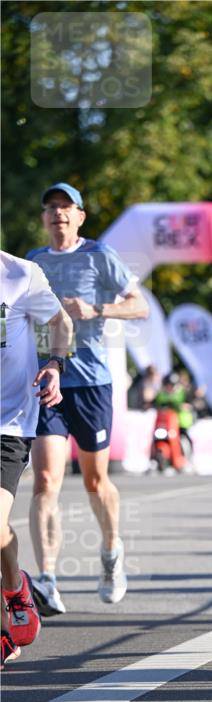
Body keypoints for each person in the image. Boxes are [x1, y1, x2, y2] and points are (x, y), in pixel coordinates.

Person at [26, 182, 149, 615]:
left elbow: (139, 306)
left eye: (66, 207)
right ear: (44, 218)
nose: (58, 213)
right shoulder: (33, 263)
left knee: (95, 481)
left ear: (80, 216)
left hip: (91, 383)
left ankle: (112, 552)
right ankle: (46, 579)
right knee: (45, 480)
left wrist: (97, 310)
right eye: (51, 207)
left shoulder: (100, 256)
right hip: (46, 382)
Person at [1, 251, 73, 666]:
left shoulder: (20, 274)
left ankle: (3, 627)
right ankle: (14, 588)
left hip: (8, 423)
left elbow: (61, 323)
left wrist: (55, 365)